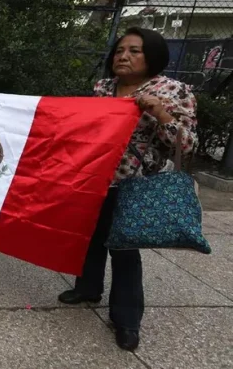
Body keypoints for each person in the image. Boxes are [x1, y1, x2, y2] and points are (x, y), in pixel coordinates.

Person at [57, 27, 198, 351]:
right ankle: (88, 288)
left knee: (124, 250)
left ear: (153, 55)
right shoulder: (104, 87)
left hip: (135, 184)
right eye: (120, 50)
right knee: (89, 238)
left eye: (135, 50)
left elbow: (187, 145)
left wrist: (159, 113)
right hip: (93, 178)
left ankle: (126, 320)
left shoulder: (172, 90)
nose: (124, 56)